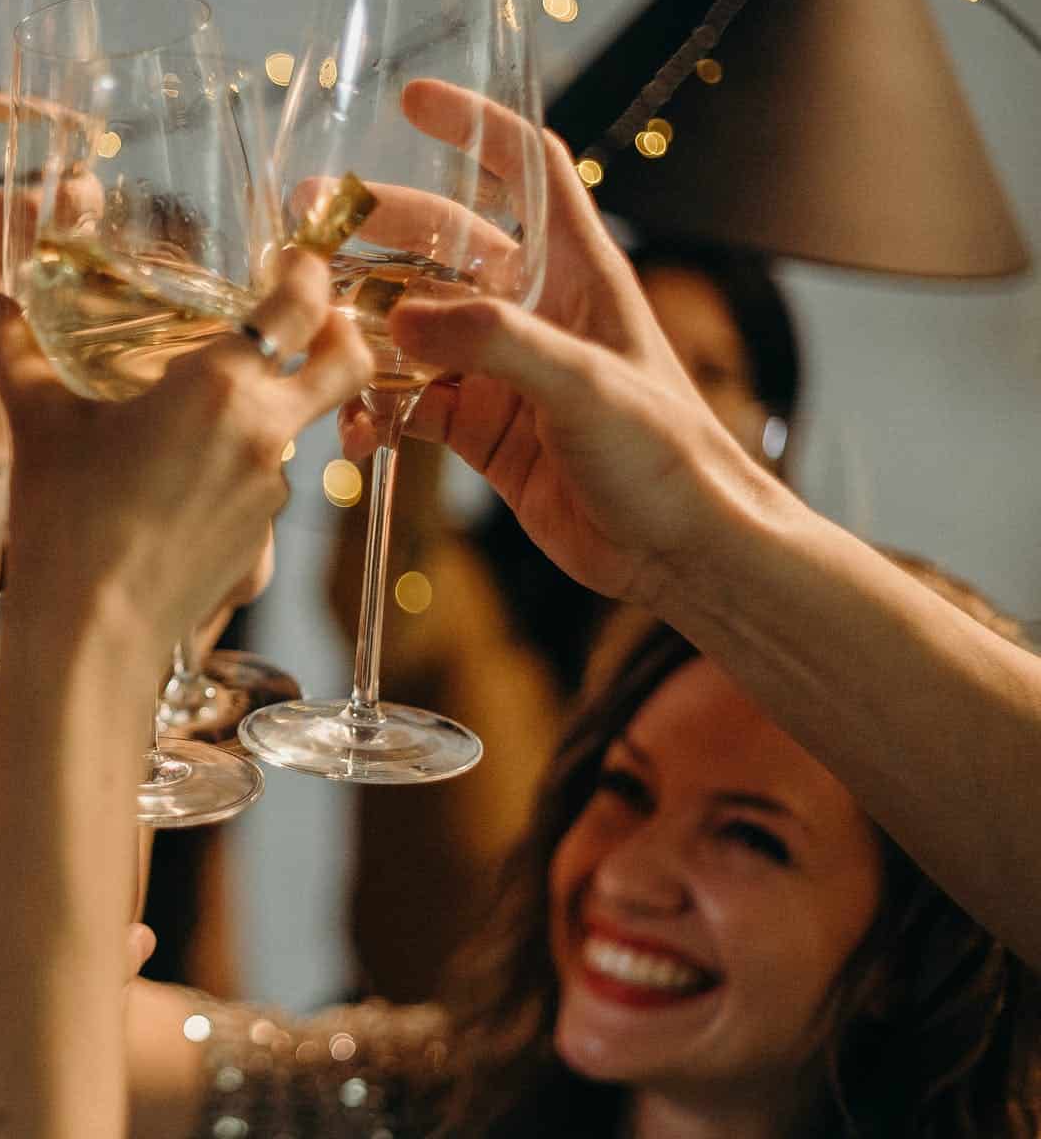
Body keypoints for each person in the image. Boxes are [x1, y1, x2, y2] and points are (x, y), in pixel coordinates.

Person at [0, 80, 1041, 1138]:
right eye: (618, 792)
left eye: (751, 840)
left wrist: (101, 611)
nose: (625, 871)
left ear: (915, 950)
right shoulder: (430, 1095)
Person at [335, 239, 804, 1002]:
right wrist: (414, 370)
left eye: (708, 373)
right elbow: (382, 594)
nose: (657, 399)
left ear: (771, 432)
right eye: (626, 356)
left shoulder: (771, 685)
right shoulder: (465, 597)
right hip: (418, 1065)